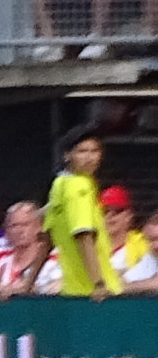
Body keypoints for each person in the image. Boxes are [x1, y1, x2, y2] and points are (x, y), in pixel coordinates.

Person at [51, 125, 121, 294]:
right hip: (96, 293)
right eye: (82, 151)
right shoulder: (79, 186)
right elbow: (83, 236)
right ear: (67, 155)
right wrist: (98, 284)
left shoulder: (59, 184)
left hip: (72, 290)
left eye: (94, 151)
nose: (90, 158)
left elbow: (46, 237)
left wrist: (27, 284)